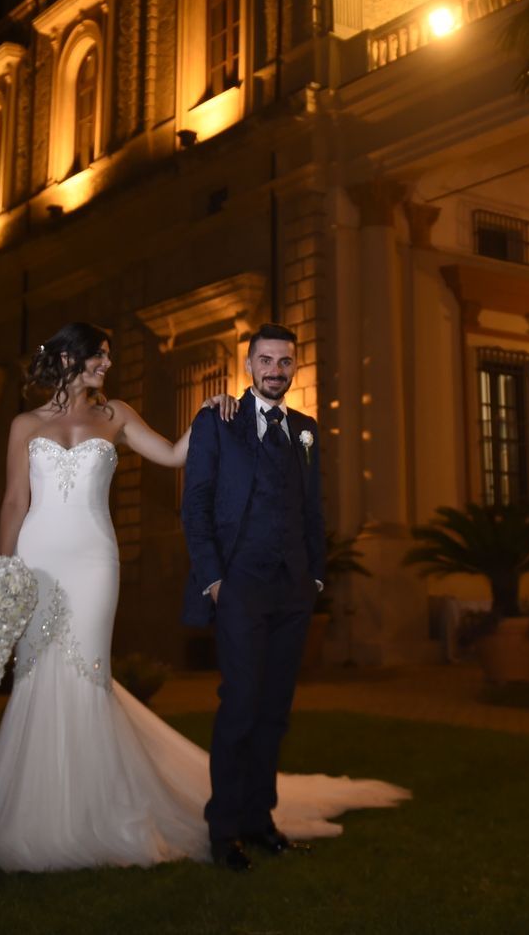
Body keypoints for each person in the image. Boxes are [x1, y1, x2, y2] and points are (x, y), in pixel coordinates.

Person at [0, 321, 405, 873]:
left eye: (108, 357)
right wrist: (2, 574)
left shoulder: (116, 414)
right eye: (100, 357)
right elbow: (11, 502)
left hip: (94, 559)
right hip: (37, 556)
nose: (107, 366)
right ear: (71, 359)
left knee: (86, 673)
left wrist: (212, 408)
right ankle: (38, 814)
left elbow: (174, 456)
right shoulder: (24, 424)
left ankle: (98, 812)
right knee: (36, 675)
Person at [181, 323, 339, 873]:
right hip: (240, 585)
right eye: (266, 361)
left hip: (293, 588)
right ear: (249, 366)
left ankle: (259, 819)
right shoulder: (218, 421)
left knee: (275, 712)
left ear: (295, 367)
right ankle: (223, 830)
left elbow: (313, 510)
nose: (276, 370)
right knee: (241, 706)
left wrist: (315, 577)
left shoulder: (306, 429)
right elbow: (195, 505)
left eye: (285, 361)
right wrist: (215, 579)